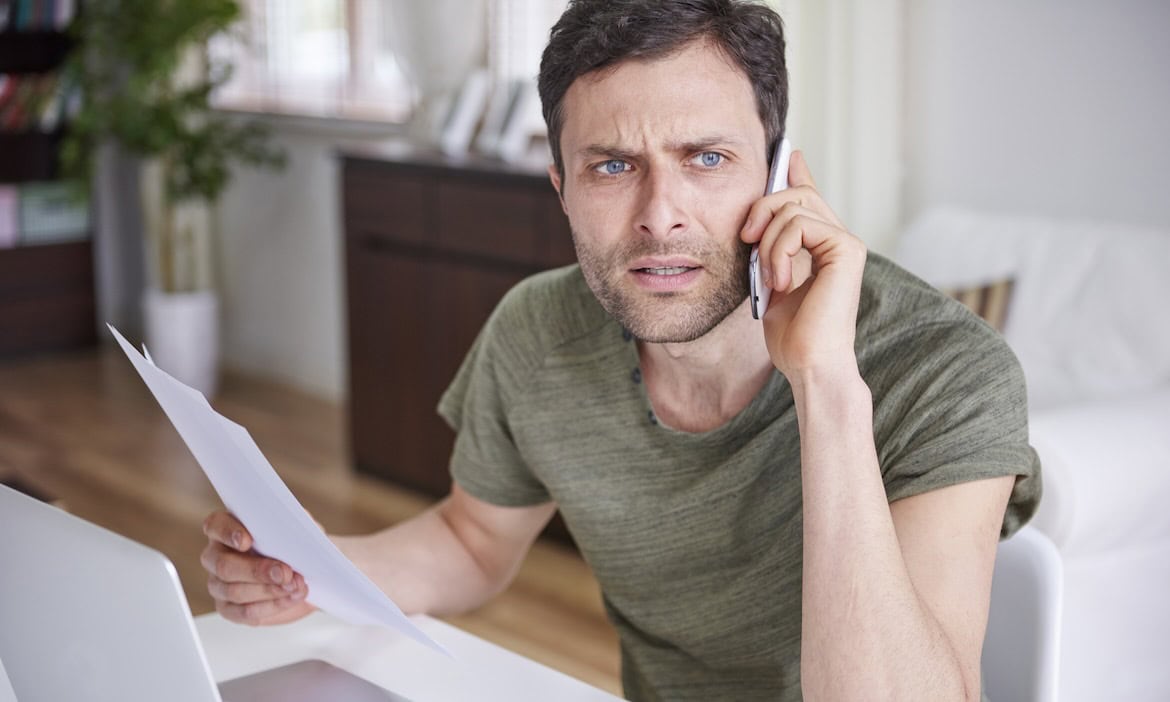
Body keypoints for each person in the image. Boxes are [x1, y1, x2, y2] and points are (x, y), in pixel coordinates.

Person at [201, 1, 1041, 699]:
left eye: (707, 158)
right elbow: (472, 541)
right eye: (611, 167)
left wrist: (825, 382)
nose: (659, 216)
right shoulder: (537, 333)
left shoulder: (947, 372)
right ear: (561, 188)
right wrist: (308, 570)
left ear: (779, 174)